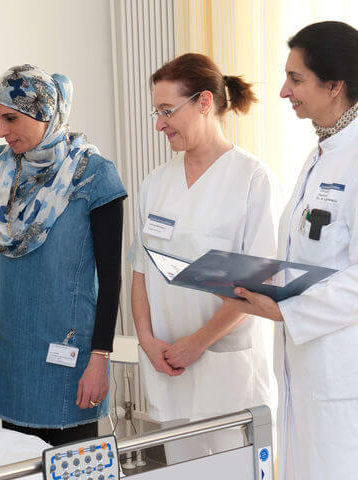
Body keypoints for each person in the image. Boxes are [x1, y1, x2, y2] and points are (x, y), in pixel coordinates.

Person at [222, 21, 358, 479]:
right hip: (307, 370)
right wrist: (264, 281)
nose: (284, 91)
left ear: (334, 87)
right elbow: (314, 258)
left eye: (296, 79)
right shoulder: (320, 156)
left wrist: (287, 311)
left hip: (345, 371)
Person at [0, 64, 127, 445]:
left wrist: (100, 357)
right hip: (11, 350)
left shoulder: (93, 175)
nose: (1, 130)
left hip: (69, 355)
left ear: (44, 114)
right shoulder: (1, 170)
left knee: (73, 465)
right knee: (21, 463)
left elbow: (111, 276)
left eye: (10, 118)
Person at [128, 53, 277, 458]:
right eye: (156, 112)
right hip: (169, 366)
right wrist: (145, 339)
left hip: (225, 369)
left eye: (167, 111)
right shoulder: (155, 183)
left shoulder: (251, 178)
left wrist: (199, 342)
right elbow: (140, 270)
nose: (159, 124)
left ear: (205, 102)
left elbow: (259, 281)